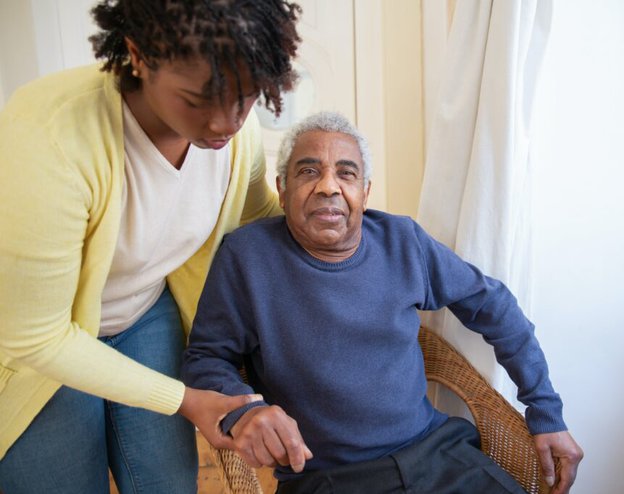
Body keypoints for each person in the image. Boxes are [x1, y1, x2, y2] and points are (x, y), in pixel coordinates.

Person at [181, 111, 584, 494]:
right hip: (328, 478)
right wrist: (244, 411)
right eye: (308, 172)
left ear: (365, 192)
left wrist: (544, 410)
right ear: (282, 191)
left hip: (438, 456)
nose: (328, 186)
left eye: (346, 173)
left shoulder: (402, 241)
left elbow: (493, 306)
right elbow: (205, 358)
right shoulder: (247, 257)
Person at [0, 1, 305, 493]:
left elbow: (257, 217)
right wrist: (183, 399)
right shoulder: (49, 135)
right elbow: (36, 335)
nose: (225, 123)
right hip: (35, 345)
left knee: (167, 484)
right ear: (139, 55)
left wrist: (364, 235)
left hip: (143, 311)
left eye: (246, 98)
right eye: (197, 100)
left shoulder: (236, 135)